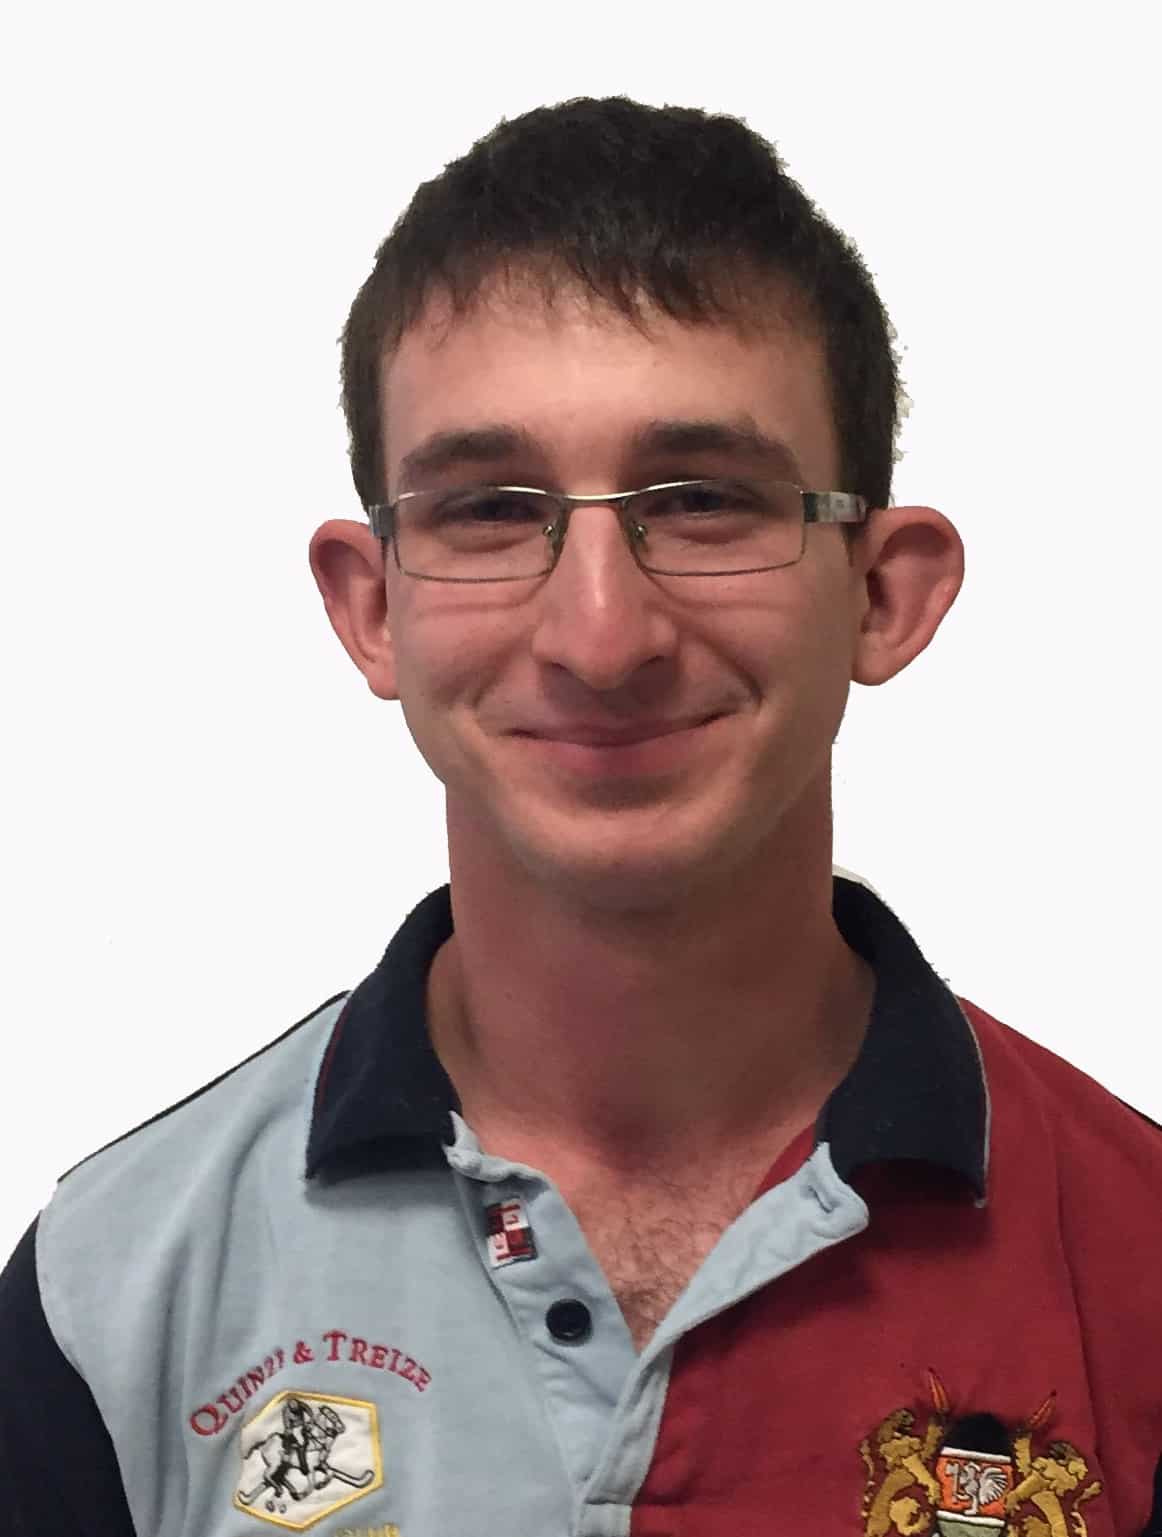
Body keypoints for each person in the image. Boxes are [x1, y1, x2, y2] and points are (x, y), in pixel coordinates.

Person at [0, 95, 1158, 1537]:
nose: (601, 637)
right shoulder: (110, 1296)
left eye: (703, 501)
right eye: (489, 510)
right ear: (371, 609)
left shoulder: (1140, 1267)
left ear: (881, 591)